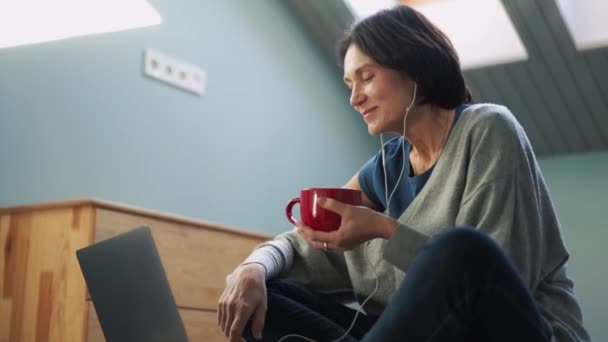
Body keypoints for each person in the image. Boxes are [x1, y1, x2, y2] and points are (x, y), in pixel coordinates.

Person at [218, 5, 589, 342]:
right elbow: (309, 241)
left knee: (461, 249)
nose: (354, 98)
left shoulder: (488, 130)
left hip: (511, 330)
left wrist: (382, 229)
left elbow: (486, 275)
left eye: (366, 77)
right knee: (267, 298)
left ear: (413, 67)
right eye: (349, 84)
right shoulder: (387, 166)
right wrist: (254, 267)